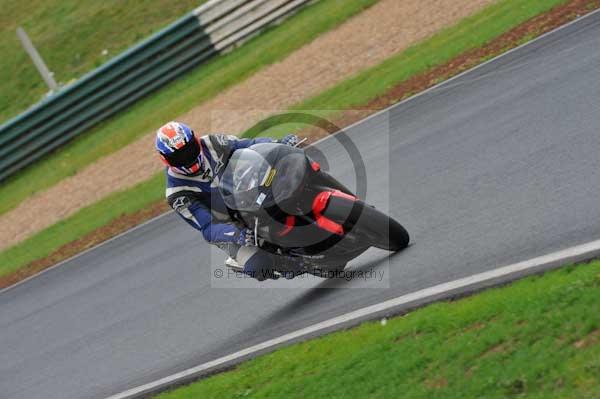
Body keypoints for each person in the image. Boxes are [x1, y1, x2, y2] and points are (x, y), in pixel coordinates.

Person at [155, 121, 300, 281]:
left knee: (290, 179)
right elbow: (207, 227)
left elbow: (247, 145)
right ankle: (279, 264)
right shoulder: (176, 193)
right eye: (178, 157)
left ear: (195, 140)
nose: (187, 157)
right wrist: (236, 234)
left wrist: (277, 144)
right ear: (166, 160)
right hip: (229, 226)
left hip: (247, 195)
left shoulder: (211, 143)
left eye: (189, 149)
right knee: (258, 265)